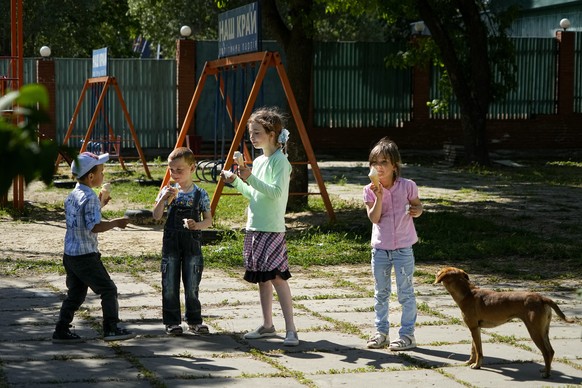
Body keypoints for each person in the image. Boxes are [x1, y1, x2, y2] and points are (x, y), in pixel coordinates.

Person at [220, 106, 299, 347]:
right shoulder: (261, 160)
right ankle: (267, 325)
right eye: (251, 133)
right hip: (255, 226)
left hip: (272, 229)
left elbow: (275, 193)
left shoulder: (280, 162)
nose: (252, 138)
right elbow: (254, 193)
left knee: (277, 278)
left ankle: (291, 330)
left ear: (272, 134)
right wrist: (236, 181)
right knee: (262, 279)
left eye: (257, 133)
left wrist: (249, 177)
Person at [53, 152, 135, 343]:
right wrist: (115, 223)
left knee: (75, 294)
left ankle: (61, 330)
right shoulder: (88, 198)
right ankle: (111, 328)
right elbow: (93, 226)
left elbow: (83, 218)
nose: (103, 175)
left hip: (71, 254)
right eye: (101, 172)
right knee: (108, 289)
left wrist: (101, 204)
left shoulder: (74, 194)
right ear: (91, 176)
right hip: (86, 256)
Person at [363, 137, 423, 351]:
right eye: (374, 163)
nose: (378, 167)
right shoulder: (369, 190)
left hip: (403, 249)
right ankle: (381, 332)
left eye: (384, 163)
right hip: (380, 250)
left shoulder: (408, 186)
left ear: (394, 166)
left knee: (405, 292)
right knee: (381, 293)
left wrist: (418, 210)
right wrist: (379, 196)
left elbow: (418, 206)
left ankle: (407, 335)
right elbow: (375, 218)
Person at [153, 147, 213, 335]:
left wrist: (197, 225)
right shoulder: (167, 191)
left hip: (192, 245)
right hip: (171, 244)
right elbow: (156, 216)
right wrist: (163, 199)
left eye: (180, 169)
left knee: (192, 283)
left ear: (192, 168)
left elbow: (209, 221)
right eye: (172, 170)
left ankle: (194, 320)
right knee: (169, 284)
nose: (175, 174)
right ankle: (172, 322)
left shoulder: (200, 194)